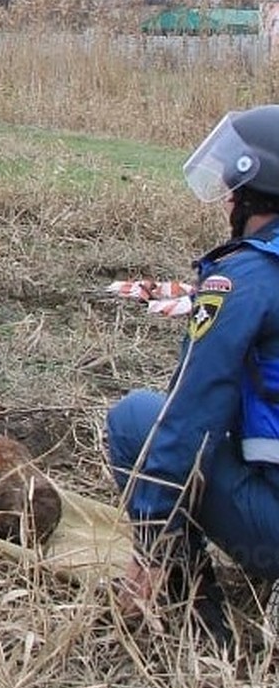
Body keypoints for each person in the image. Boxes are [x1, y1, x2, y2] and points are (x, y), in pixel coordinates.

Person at [106, 104, 279, 648]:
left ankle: (189, 610)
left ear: (256, 192)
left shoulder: (244, 279)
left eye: (235, 184)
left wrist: (153, 542)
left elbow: (191, 408)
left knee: (137, 419)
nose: (227, 196)